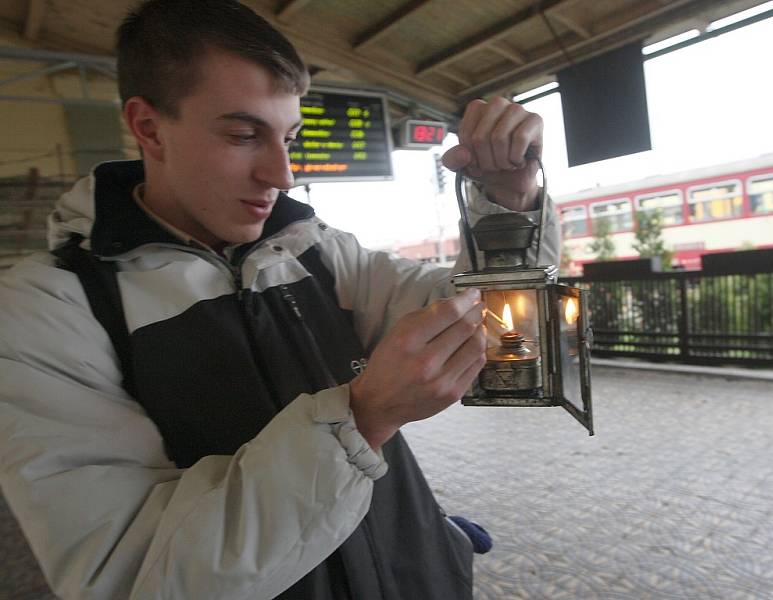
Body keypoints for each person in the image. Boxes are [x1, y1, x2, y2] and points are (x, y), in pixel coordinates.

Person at [0, 1, 559, 598]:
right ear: (147, 126)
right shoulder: (49, 308)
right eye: (243, 135)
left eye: (288, 136)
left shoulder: (321, 253)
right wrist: (361, 420)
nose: (282, 173)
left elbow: (505, 347)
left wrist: (508, 208)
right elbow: (132, 574)